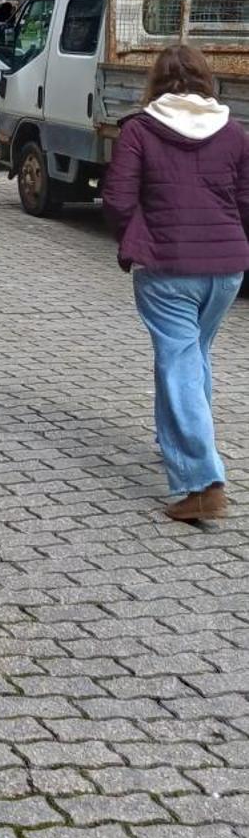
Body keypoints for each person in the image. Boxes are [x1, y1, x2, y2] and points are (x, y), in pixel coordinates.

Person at [102, 44, 249, 522]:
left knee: (179, 364)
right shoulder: (233, 133)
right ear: (208, 80)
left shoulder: (139, 131)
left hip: (167, 269)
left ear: (156, 83)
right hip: (225, 270)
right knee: (195, 356)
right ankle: (182, 445)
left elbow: (118, 200)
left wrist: (134, 238)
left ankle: (202, 482)